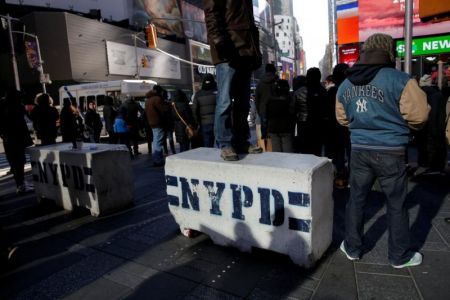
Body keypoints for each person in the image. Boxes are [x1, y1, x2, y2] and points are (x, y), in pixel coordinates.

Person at [336, 33, 430, 268]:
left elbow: (342, 118)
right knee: (396, 204)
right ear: (389, 51)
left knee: (356, 200)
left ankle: (353, 248)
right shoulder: (400, 80)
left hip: (358, 150)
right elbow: (419, 116)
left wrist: (361, 125)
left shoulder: (346, 83)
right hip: (391, 150)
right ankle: (399, 256)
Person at [203, 0, 263, 161]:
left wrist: (256, 53)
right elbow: (211, 13)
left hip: (245, 51)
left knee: (243, 102)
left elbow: (251, 26)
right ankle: (225, 143)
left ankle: (241, 140)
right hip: (228, 51)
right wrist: (219, 42)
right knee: (225, 100)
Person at [0, 88, 34, 194]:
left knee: (14, 162)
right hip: (18, 138)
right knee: (19, 162)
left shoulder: (3, 107)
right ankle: (21, 184)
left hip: (8, 138)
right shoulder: (17, 107)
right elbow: (23, 121)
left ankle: (20, 183)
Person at [414, 74, 447, 175]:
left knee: (423, 146)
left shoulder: (419, 94)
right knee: (436, 146)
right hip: (436, 126)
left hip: (423, 126)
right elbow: (439, 113)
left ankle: (424, 165)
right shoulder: (438, 94)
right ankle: (436, 167)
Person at [325, 63, 351, 188]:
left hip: (334, 128)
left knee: (338, 153)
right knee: (351, 152)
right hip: (350, 128)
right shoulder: (352, 90)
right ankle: (352, 176)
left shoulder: (331, 92)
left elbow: (326, 112)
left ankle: (341, 177)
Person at [266, 79, 294, 153]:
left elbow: (266, 115)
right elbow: (293, 112)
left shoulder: (270, 101)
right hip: (286, 129)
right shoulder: (289, 100)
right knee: (288, 153)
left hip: (273, 129)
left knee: (277, 153)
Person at [255, 63, 279, 147]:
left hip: (263, 109)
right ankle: (275, 147)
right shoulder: (277, 81)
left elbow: (257, 99)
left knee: (264, 130)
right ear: (274, 70)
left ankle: (265, 148)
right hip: (276, 109)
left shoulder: (260, 83)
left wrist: (259, 110)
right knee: (275, 131)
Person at [191, 74, 217, 148]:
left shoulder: (198, 94)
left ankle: (208, 158)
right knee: (220, 144)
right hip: (218, 122)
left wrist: (197, 122)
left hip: (204, 123)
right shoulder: (218, 92)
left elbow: (194, 110)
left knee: (207, 145)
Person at [145, 85, 168, 166]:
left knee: (156, 141)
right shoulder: (157, 99)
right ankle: (157, 160)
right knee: (158, 141)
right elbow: (163, 111)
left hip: (151, 123)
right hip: (158, 123)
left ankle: (158, 158)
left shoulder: (148, 100)